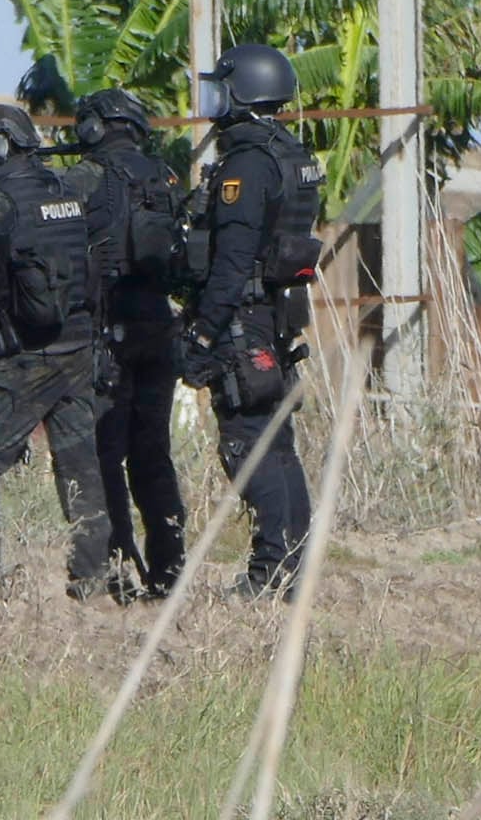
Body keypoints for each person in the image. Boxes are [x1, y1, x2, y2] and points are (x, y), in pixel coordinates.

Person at [0, 102, 112, 610]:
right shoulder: (66, 190)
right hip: (78, 348)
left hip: (26, 357)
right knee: (79, 465)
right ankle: (92, 581)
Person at [181, 44, 323, 600]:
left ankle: (270, 573)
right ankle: (292, 569)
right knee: (277, 444)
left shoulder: (247, 163)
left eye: (221, 88)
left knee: (247, 442)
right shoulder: (291, 154)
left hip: (243, 320)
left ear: (244, 91)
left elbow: (233, 259)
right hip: (275, 313)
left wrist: (203, 332)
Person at [64, 88, 187, 599]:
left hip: (107, 329)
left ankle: (114, 569)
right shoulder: (163, 177)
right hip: (159, 325)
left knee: (103, 454)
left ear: (95, 127)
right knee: (152, 452)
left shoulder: (84, 178)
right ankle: (169, 567)